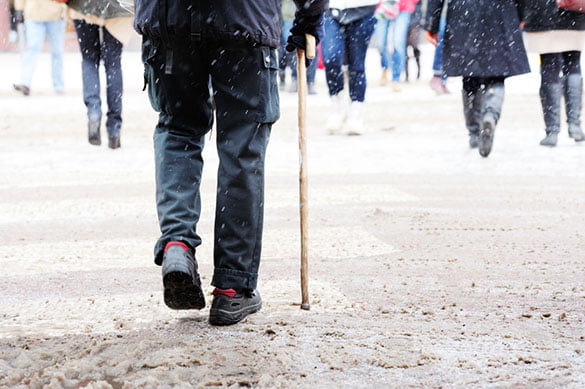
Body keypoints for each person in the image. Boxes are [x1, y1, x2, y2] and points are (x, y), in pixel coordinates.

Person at [134, 0, 327, 325]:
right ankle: (232, 287)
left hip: (169, 21)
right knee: (242, 145)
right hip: (243, 20)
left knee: (179, 128)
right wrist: (309, 17)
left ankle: (177, 243)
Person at [425, 0, 530, 157]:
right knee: (496, 75)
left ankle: (474, 132)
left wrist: (432, 23)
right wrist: (521, 13)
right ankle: (490, 115)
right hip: (499, 12)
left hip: (463, 13)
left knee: (469, 77)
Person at [519, 0, 585, 146]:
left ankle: (552, 130)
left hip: (543, 14)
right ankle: (575, 125)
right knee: (573, 64)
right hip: (573, 14)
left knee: (549, 67)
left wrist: (522, 12)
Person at [69, 6, 133, 149]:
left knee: (89, 59)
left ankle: (93, 112)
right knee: (113, 63)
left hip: (84, 4)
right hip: (118, 6)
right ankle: (114, 129)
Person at [323, 0, 377, 135]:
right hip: (331, 8)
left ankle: (356, 111)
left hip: (363, 8)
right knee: (331, 58)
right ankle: (337, 105)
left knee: (357, 64)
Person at [12, 0, 66, 96]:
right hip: (34, 13)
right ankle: (25, 83)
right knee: (32, 49)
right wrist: (19, 9)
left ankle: (59, 85)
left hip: (56, 14)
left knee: (57, 51)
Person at [374, 0, 420, 90]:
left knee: (398, 43)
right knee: (379, 43)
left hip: (404, 7)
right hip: (384, 5)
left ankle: (396, 78)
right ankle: (386, 66)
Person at [279, 0, 319, 95]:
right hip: (289, 15)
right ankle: (295, 78)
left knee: (312, 47)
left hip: (310, 14)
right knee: (291, 46)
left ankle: (310, 80)